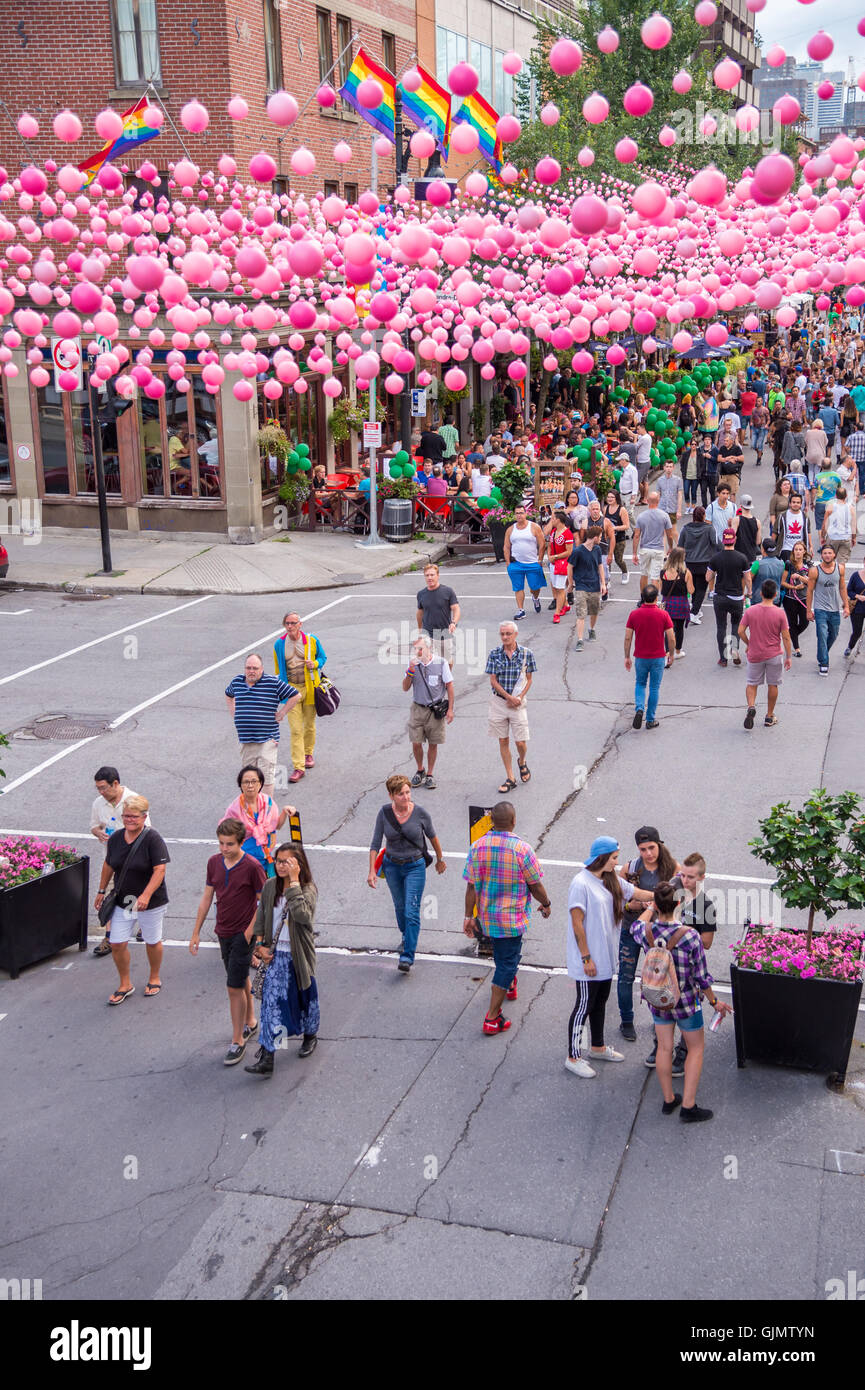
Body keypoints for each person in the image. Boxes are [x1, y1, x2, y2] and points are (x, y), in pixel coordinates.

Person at [631, 882, 731, 1122]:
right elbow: (701, 977)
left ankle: (668, 1100)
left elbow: (634, 925)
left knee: (664, 1048)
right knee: (695, 1049)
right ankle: (688, 1106)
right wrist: (714, 1001)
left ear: (657, 904)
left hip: (659, 998)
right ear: (679, 903)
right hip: (686, 1001)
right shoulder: (690, 936)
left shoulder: (646, 931)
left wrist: (651, 908)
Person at [565, 837, 654, 1077]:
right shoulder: (580, 883)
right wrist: (586, 958)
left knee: (600, 1002)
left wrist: (661, 895)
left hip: (604, 958)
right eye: (614, 857)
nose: (617, 862)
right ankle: (573, 1056)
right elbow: (577, 924)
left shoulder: (610, 879)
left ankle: (597, 1047)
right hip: (589, 960)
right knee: (584, 1005)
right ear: (602, 857)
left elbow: (636, 892)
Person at [462, 801, 550, 1035]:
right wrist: (546, 903)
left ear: (491, 822)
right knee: (508, 962)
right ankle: (492, 1017)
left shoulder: (478, 846)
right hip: (512, 920)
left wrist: (467, 917)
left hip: (488, 918)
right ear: (513, 821)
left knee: (504, 956)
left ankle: (510, 984)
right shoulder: (523, 850)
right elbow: (535, 885)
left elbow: (471, 887)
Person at [190, 819, 266, 1065]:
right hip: (222, 930)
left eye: (230, 844)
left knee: (233, 987)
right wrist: (196, 932)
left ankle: (237, 1040)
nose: (224, 848)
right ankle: (251, 1021)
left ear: (241, 842)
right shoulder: (213, 863)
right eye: (221, 843)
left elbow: (263, 903)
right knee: (240, 976)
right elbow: (206, 897)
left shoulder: (253, 866)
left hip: (242, 934)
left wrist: (250, 933)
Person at [246, 843, 319, 1073]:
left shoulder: (307, 889)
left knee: (304, 999)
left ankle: (310, 1035)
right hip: (275, 957)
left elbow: (302, 916)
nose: (280, 865)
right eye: (278, 861)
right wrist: (259, 945)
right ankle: (269, 1055)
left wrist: (294, 883)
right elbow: (262, 915)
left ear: (298, 864)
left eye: (286, 861)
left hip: (298, 956)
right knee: (272, 1005)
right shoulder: (270, 886)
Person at [95, 796, 170, 1007]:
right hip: (124, 899)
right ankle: (125, 984)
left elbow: (160, 870)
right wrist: (101, 890)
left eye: (134, 816)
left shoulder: (153, 839)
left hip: (151, 901)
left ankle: (154, 976)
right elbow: (109, 864)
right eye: (126, 816)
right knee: (117, 942)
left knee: (152, 940)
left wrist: (146, 895)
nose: (129, 820)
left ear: (144, 817)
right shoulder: (117, 838)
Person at [368, 773, 446, 972]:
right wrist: (371, 871)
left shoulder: (420, 813)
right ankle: (406, 935)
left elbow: (433, 838)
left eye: (407, 792)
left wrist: (439, 859)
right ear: (391, 795)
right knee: (400, 908)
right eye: (401, 794)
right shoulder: (384, 813)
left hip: (415, 866)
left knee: (412, 910)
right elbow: (376, 843)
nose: (406, 797)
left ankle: (407, 955)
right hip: (392, 866)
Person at [616, 826, 681, 1051]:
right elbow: (615, 896)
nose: (648, 854)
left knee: (659, 978)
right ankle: (626, 1021)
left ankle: (660, 1019)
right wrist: (627, 905)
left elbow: (679, 902)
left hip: (659, 932)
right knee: (625, 975)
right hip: (631, 928)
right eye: (643, 849)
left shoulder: (673, 869)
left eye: (652, 848)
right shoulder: (630, 868)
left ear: (659, 845)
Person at [90, 766, 150, 956]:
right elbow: (94, 825)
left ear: (115, 783)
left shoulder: (132, 801)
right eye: (98, 788)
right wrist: (98, 832)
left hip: (136, 862)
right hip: (112, 860)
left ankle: (145, 925)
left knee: (140, 895)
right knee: (111, 897)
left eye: (104, 788)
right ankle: (109, 937)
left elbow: (146, 831)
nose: (101, 792)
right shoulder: (98, 803)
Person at [225, 654, 300, 798]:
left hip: (267, 739)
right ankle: (252, 809)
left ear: (262, 669)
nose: (251, 671)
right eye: (248, 668)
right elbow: (228, 695)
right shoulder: (237, 682)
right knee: (249, 779)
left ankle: (267, 811)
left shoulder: (272, 682)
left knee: (266, 777)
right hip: (246, 740)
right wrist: (233, 712)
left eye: (255, 668)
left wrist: (282, 712)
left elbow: (295, 695)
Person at [273, 613, 326, 784]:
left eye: (293, 623)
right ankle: (298, 767)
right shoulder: (279, 644)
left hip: (309, 688)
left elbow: (322, 657)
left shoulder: (312, 640)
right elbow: (278, 670)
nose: (290, 626)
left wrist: (315, 664)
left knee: (309, 725)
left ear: (300, 624)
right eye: (287, 623)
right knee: (296, 729)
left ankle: (308, 753)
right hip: (291, 691)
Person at [485, 620, 536, 791]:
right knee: (503, 740)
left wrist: (519, 697)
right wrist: (507, 697)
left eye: (508, 634)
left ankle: (522, 762)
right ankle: (510, 777)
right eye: (502, 634)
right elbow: (493, 680)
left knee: (520, 742)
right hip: (499, 702)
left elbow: (529, 679)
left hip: (518, 703)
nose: (505, 637)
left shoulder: (527, 654)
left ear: (515, 635)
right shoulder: (494, 654)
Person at [739, 580, 793, 729]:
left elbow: (740, 631)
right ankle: (769, 716)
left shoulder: (751, 611)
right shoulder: (780, 613)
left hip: (755, 653)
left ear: (761, 593)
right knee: (773, 684)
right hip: (773, 654)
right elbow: (786, 637)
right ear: (775, 595)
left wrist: (749, 644)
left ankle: (751, 706)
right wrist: (789, 656)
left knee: (752, 683)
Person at [403, 633, 454, 790]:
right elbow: (405, 688)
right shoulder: (413, 665)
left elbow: (449, 686)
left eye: (420, 649)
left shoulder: (441, 663)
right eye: (415, 649)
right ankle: (420, 770)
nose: (418, 652)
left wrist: (450, 709)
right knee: (416, 743)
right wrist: (410, 671)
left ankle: (430, 774)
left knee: (433, 743)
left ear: (429, 648)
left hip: (435, 710)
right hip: (418, 708)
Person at [223, 765, 295, 876]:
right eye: (246, 782)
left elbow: (277, 825)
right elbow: (226, 834)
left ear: (260, 784)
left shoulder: (268, 802)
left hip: (266, 857)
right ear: (240, 785)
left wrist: (285, 812)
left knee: (269, 890)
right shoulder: (234, 809)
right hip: (245, 861)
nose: (250, 785)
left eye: (253, 781)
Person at [624, 585, 675, 729]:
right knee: (654, 687)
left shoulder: (634, 614)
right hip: (658, 657)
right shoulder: (663, 615)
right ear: (656, 598)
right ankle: (650, 718)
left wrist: (627, 656)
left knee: (640, 683)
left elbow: (628, 638)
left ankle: (639, 708)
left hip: (641, 656)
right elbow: (671, 638)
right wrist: (671, 654)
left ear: (642, 597)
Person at [707, 528, 751, 667]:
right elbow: (748, 578)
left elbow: (708, 577)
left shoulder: (716, 558)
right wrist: (749, 591)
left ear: (723, 540)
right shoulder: (742, 558)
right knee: (736, 625)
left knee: (721, 626)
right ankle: (734, 649)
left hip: (720, 596)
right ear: (735, 540)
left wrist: (714, 573)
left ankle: (723, 659)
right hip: (737, 597)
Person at [806, 542, 849, 674]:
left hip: (835, 609)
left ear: (834, 555)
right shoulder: (814, 571)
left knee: (834, 635)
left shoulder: (840, 568)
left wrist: (846, 605)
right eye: (825, 553)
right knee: (822, 635)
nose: (827, 555)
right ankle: (824, 663)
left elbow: (842, 587)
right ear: (822, 555)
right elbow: (810, 591)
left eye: (830, 553)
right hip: (820, 609)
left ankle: (822, 653)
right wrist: (809, 610)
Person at [567, 524, 607, 652]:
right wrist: (571, 583)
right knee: (581, 614)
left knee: (594, 611)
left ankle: (592, 629)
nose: (601, 539)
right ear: (595, 537)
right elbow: (570, 567)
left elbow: (600, 565)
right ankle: (579, 640)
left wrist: (603, 583)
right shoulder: (577, 551)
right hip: (581, 586)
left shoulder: (597, 550)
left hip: (594, 585)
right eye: (600, 537)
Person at [504, 504, 547, 618]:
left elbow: (542, 544)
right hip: (516, 564)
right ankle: (521, 610)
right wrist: (508, 563)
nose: (519, 515)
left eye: (521, 513)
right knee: (518, 588)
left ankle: (535, 598)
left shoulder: (534, 527)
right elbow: (506, 546)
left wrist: (540, 560)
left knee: (535, 587)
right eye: (517, 513)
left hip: (532, 563)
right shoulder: (510, 529)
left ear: (526, 514)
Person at [415, 563, 460, 664]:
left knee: (447, 661)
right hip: (427, 633)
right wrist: (420, 630)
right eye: (427, 575)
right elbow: (420, 612)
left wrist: (453, 623)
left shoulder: (448, 591)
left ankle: (447, 678)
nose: (429, 578)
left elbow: (456, 609)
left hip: (444, 632)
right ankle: (431, 680)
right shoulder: (421, 594)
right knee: (426, 660)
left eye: (432, 575)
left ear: (438, 575)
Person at [677, 505, 715, 624]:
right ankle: (693, 613)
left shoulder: (685, 528)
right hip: (704, 562)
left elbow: (680, 545)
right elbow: (715, 543)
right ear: (704, 516)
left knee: (693, 587)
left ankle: (695, 609)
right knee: (701, 589)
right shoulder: (709, 528)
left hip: (689, 563)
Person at [673, 853, 717, 951]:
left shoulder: (706, 906)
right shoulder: (672, 893)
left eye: (690, 877)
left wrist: (681, 933)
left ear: (702, 878)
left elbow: (707, 943)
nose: (685, 881)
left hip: (687, 959)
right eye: (682, 875)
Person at [632, 491, 673, 592]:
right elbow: (669, 535)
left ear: (648, 501)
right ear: (658, 501)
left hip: (645, 548)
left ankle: (643, 598)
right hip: (658, 549)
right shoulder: (664, 516)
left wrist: (634, 553)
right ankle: (653, 600)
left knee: (644, 574)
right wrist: (671, 547)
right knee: (655, 577)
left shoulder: (641, 516)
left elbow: (636, 536)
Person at [660, 547, 693, 659]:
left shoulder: (663, 573)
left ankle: (668, 652)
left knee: (668, 629)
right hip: (681, 603)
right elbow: (691, 590)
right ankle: (678, 651)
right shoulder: (686, 573)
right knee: (679, 629)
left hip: (667, 603)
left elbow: (661, 589)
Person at [780, 540, 811, 658]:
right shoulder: (789, 564)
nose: (798, 552)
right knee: (792, 623)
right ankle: (797, 648)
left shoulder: (809, 565)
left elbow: (811, 581)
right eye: (796, 549)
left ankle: (789, 635)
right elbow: (782, 582)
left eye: (800, 550)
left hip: (804, 598)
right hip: (790, 598)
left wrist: (799, 577)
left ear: (804, 552)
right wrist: (794, 586)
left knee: (805, 622)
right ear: (793, 551)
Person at [546, 509, 575, 621]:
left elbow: (569, 551)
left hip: (562, 564)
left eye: (553, 518)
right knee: (556, 586)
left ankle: (557, 613)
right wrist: (549, 556)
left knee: (560, 587)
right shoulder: (553, 532)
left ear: (558, 520)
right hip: (554, 562)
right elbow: (549, 545)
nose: (551, 520)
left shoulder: (567, 533)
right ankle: (566, 605)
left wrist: (555, 557)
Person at [821, 487, 857, 569]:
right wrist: (853, 537)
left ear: (836, 496)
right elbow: (853, 525)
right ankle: (841, 578)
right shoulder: (851, 508)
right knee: (842, 562)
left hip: (833, 537)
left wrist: (823, 536)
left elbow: (824, 524)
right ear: (846, 495)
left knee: (829, 560)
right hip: (846, 537)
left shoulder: (830, 507)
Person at [603, 489, 630, 584]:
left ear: (616, 498)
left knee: (619, 560)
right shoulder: (605, 508)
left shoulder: (622, 510)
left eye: (612, 497)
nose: (609, 499)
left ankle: (625, 572)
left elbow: (626, 526)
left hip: (619, 539)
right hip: (608, 539)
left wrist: (614, 528)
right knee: (607, 559)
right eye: (608, 497)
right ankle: (607, 579)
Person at [775, 491, 811, 561]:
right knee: (787, 570)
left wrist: (810, 546)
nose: (795, 504)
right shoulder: (783, 516)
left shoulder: (805, 517)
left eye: (798, 503)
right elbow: (775, 532)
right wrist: (772, 547)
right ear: (790, 503)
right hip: (786, 549)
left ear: (801, 504)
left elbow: (808, 532)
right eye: (793, 502)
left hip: (799, 549)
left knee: (799, 570)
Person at [811, 459, 842, 532]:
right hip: (833, 503)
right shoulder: (836, 475)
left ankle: (822, 542)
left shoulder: (817, 476)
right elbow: (839, 489)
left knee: (820, 525)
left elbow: (814, 491)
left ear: (821, 466)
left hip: (821, 503)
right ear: (831, 465)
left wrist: (812, 502)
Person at [716, 419, 744, 499]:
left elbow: (742, 458)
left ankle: (732, 509)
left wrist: (734, 457)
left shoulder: (736, 447)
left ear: (731, 441)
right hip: (723, 472)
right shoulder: (720, 435)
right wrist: (727, 459)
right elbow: (719, 458)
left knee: (732, 493)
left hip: (733, 473)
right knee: (721, 492)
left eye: (727, 441)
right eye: (724, 440)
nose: (725, 442)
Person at [753, 539, 785, 607]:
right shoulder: (782, 564)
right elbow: (783, 582)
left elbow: (748, 579)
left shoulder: (757, 564)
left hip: (758, 599)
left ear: (763, 550)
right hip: (775, 599)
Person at [656, 460, 684, 536]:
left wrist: (679, 511)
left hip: (672, 508)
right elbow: (658, 495)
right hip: (662, 508)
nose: (669, 469)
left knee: (673, 531)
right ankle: (664, 548)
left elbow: (680, 495)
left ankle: (679, 547)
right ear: (664, 467)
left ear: (673, 468)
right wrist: (655, 510)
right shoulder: (659, 480)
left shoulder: (678, 480)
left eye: (670, 467)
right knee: (663, 532)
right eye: (667, 467)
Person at [732, 493, 761, 563]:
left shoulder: (736, 520)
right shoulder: (757, 521)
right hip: (752, 556)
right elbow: (758, 541)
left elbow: (732, 538)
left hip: (738, 555)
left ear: (741, 505)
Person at [843, 564, 865, 656]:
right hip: (857, 609)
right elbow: (848, 590)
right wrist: (857, 596)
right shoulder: (855, 575)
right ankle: (850, 647)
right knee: (857, 631)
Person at [616, 451, 638, 523]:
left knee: (629, 514)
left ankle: (635, 529)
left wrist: (633, 497)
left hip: (629, 495)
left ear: (623, 460)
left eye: (620, 460)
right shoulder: (624, 469)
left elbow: (635, 483)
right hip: (623, 494)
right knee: (623, 514)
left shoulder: (632, 469)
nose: (619, 462)